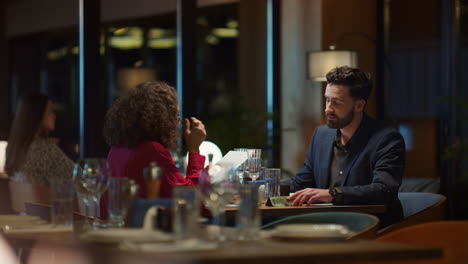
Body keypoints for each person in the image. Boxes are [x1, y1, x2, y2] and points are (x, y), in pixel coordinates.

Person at [285, 66, 405, 227]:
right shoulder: (321, 135)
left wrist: (333, 194)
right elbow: (302, 182)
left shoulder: (387, 139)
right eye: (327, 100)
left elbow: (384, 190)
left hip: (370, 228)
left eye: (337, 103)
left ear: (359, 106)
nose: (328, 109)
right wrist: (260, 189)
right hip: (326, 226)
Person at [102, 81, 207, 199]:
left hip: (114, 217)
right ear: (161, 118)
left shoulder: (115, 150)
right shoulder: (153, 150)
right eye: (175, 116)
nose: (178, 123)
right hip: (138, 218)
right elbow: (189, 198)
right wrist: (194, 149)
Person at [5, 93, 74, 186]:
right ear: (37, 115)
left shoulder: (16, 149)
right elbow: (81, 178)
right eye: (50, 111)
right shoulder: (44, 149)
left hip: (26, 201)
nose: (54, 116)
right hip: (47, 200)